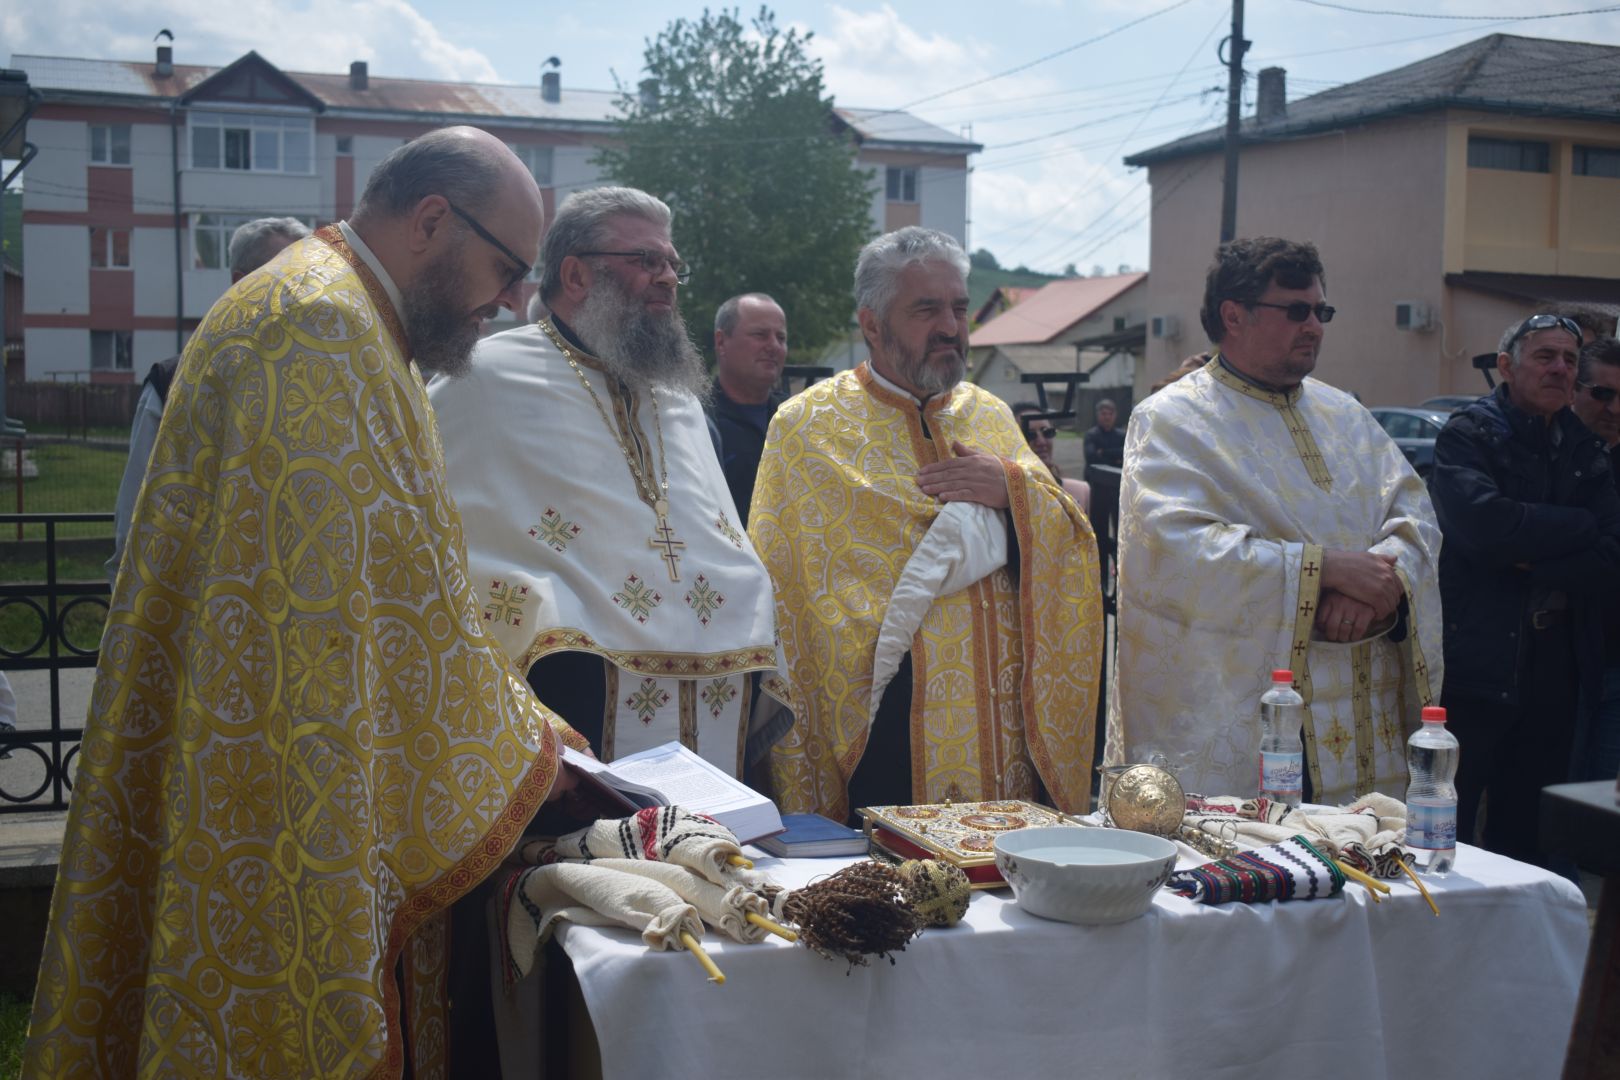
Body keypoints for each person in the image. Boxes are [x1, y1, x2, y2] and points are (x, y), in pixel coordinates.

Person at [24, 127, 577, 1079]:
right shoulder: (318, 328)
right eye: (508, 268)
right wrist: (531, 749)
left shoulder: (344, 317)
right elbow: (316, 632)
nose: (514, 301)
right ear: (432, 221)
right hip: (272, 776)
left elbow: (389, 586)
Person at [427, 187, 789, 782]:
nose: (667, 278)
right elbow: (445, 539)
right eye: (646, 261)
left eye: (673, 264)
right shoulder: (483, 378)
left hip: (711, 673)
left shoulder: (677, 397)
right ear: (574, 274)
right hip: (572, 687)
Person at [751, 226, 1103, 822]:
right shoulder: (805, 427)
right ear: (872, 324)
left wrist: (1014, 492)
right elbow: (788, 601)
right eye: (926, 310)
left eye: (960, 308)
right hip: (882, 731)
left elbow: (1071, 540)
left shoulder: (990, 415)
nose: (951, 327)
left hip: (1007, 727)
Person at [1109, 238, 1443, 805]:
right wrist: (1327, 570)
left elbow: (1414, 514)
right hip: (1250, 718)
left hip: (1362, 703)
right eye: (1296, 310)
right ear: (1232, 315)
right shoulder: (1172, 420)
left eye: (1321, 311)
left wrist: (1379, 585)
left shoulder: (1348, 414)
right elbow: (1175, 553)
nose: (1313, 325)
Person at [1432, 314, 1620, 863]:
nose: (1560, 369)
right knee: (1452, 832)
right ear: (1508, 366)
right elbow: (1485, 528)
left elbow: (1610, 553)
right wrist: (1571, 527)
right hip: (1480, 666)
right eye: (1546, 356)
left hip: (1556, 670)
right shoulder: (1468, 434)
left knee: (1527, 838)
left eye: (1569, 359)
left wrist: (1526, 557)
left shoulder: (1583, 446)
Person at [105, 217, 313, 588]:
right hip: (199, 605)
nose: (301, 291)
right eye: (285, 275)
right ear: (240, 282)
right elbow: (135, 515)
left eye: (307, 276)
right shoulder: (173, 382)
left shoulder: (317, 385)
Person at [1572, 335, 1620, 782]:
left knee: (1604, 817)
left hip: (1614, 666)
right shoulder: (1555, 454)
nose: (1615, 408)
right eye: (1602, 393)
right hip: (1562, 665)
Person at [708, 292, 789, 525]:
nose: (773, 346)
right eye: (760, 335)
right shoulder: (694, 422)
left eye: (781, 338)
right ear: (721, 342)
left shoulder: (798, 419)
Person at [1012, 401, 1089, 514]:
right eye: (1030, 435)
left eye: (1047, 432)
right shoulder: (1003, 497)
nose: (1042, 442)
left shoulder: (1079, 492)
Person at [1083, 397, 1125, 469]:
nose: (1107, 417)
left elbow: (1127, 455)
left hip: (1117, 477)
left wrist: (1104, 452)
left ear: (1115, 415)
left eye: (1110, 414)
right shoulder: (1091, 435)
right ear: (1098, 415)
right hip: (1095, 477)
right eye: (1104, 414)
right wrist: (1115, 461)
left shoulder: (1122, 435)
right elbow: (1092, 458)